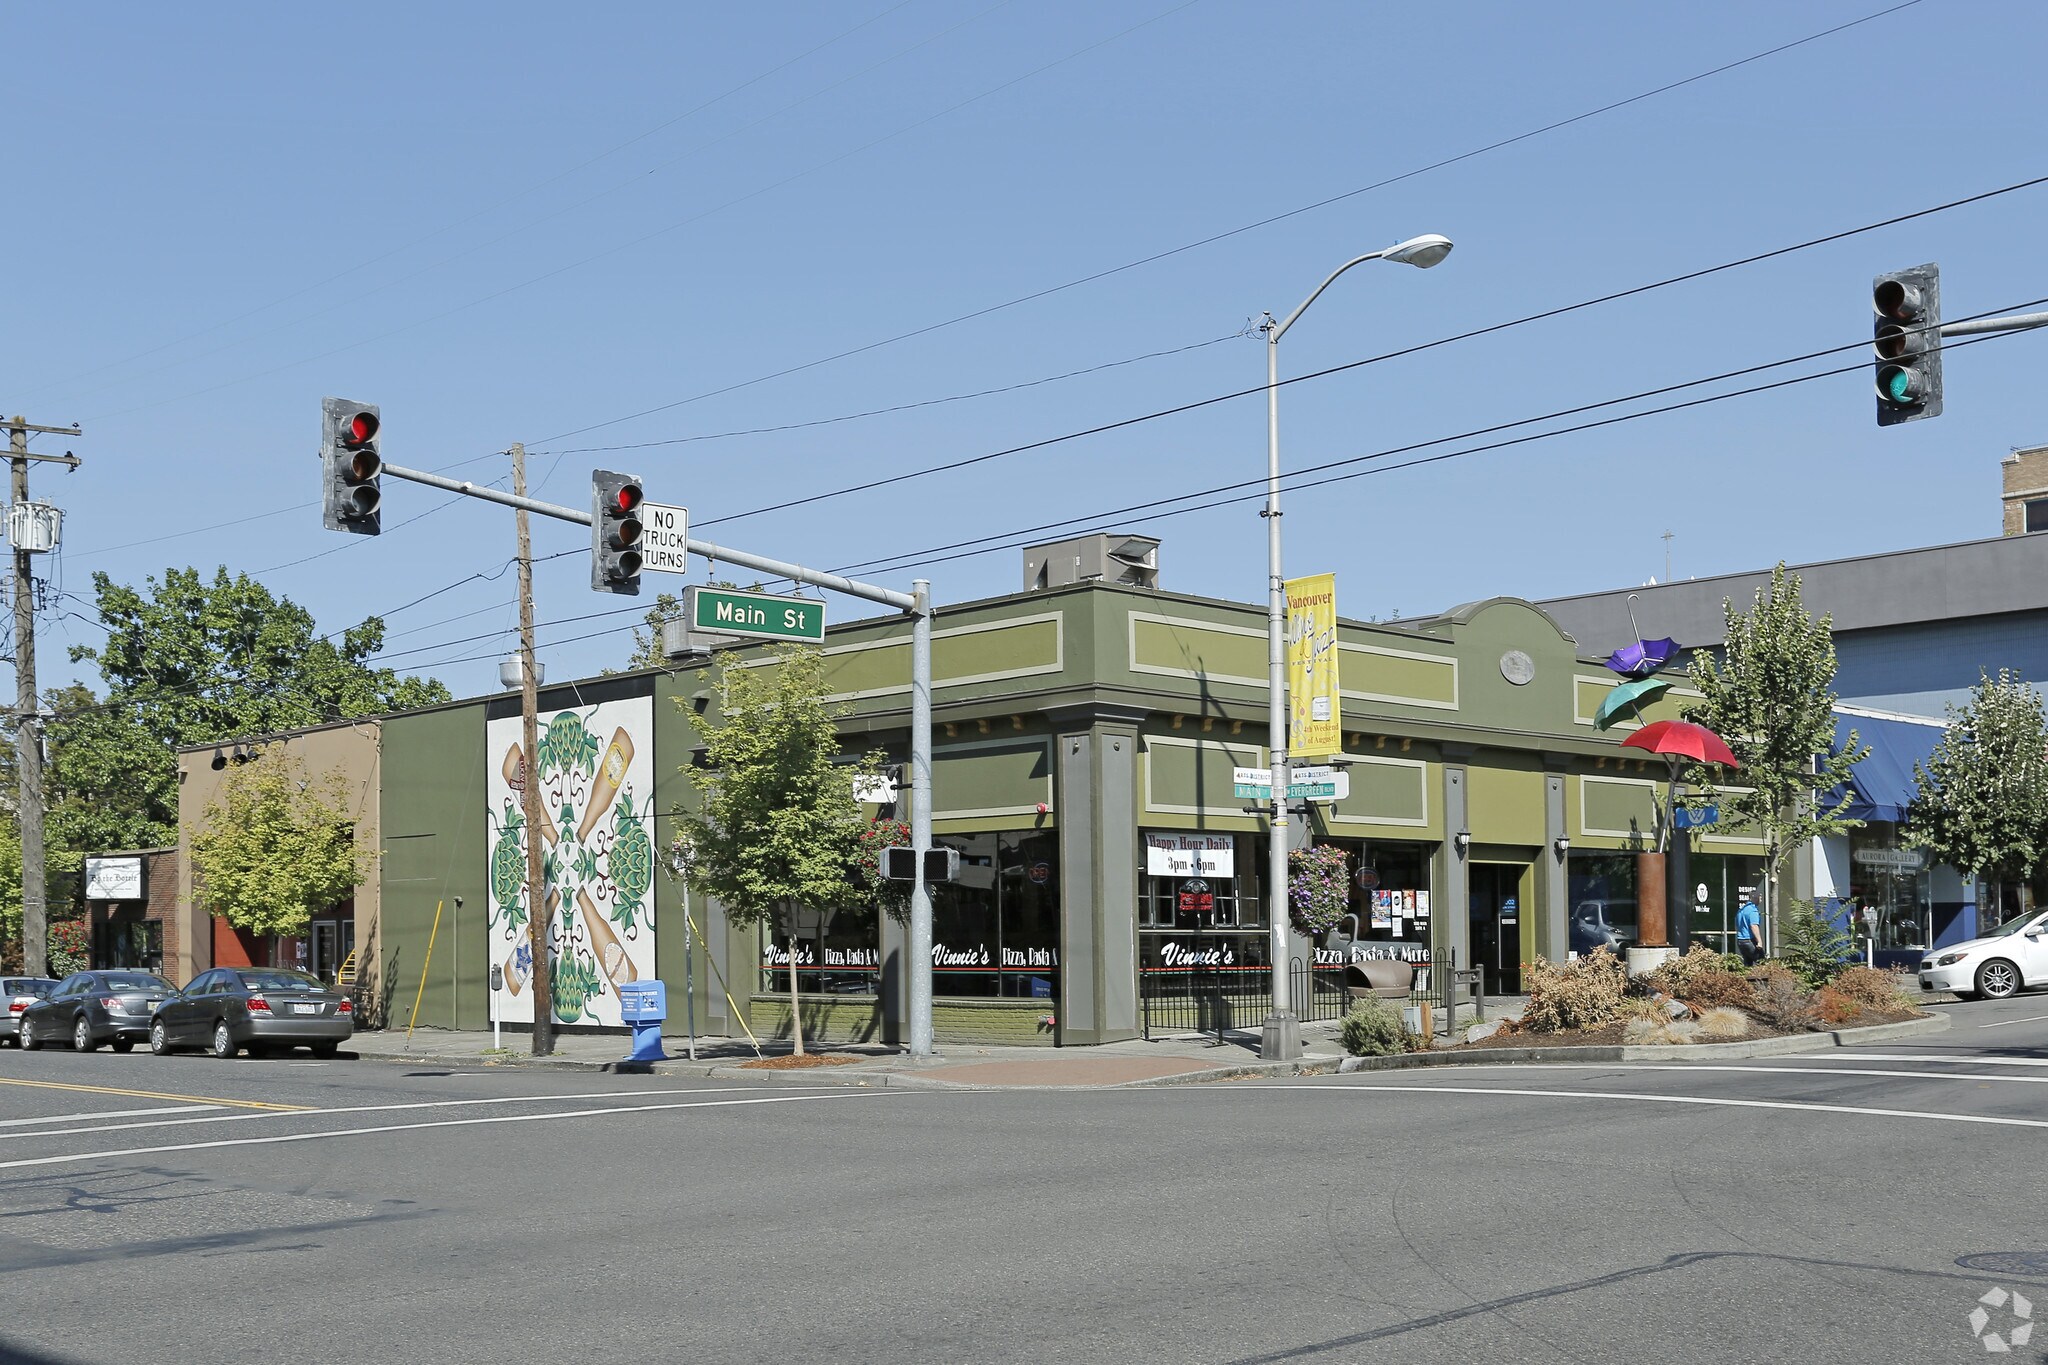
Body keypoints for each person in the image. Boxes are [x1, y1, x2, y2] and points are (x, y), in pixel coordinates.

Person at [1735, 894, 1764, 966]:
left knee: (1748, 964)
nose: (1761, 900)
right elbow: (1753, 926)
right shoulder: (1753, 910)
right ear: (1755, 898)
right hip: (1749, 940)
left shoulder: (1742, 910)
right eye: (1760, 897)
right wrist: (1759, 941)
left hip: (1741, 941)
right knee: (1762, 962)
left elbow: (1737, 924)